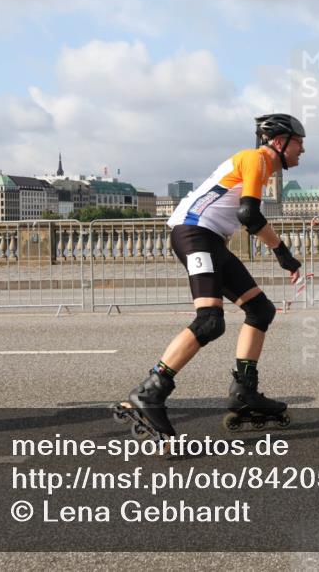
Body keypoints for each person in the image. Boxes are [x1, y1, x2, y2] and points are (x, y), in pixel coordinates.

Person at [117, 114, 306, 437]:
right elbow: (249, 214)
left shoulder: (260, 166)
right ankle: (150, 391)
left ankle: (244, 391)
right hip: (194, 234)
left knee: (261, 310)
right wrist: (282, 252)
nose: (302, 150)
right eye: (299, 142)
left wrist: (281, 253)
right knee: (209, 321)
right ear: (279, 141)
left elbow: (244, 213)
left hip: (211, 239)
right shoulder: (255, 159)